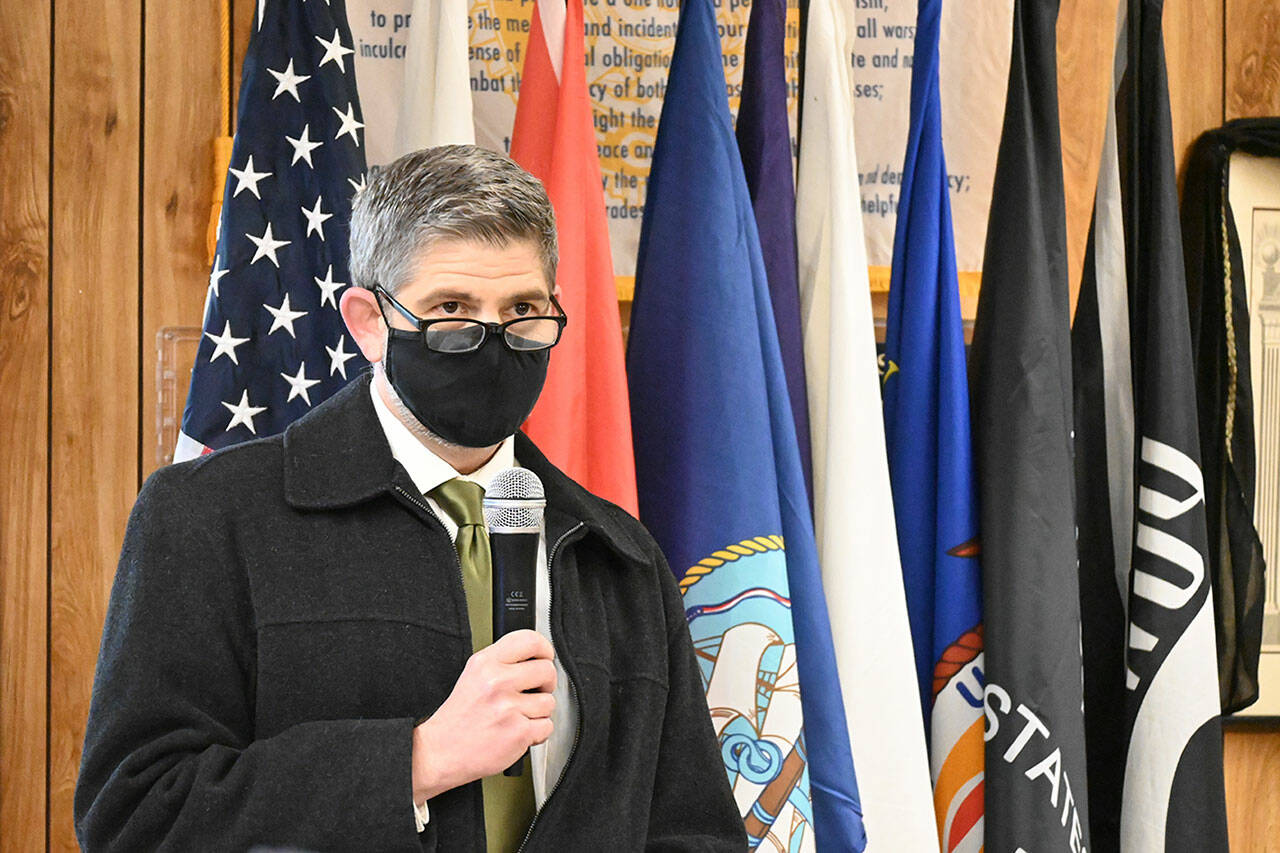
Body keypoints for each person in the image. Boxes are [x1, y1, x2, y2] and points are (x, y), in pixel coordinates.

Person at [74, 145, 747, 852]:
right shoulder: (211, 518)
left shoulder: (620, 555)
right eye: (451, 308)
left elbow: (694, 829)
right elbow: (135, 814)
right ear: (369, 322)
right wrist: (415, 761)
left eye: (521, 309)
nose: (493, 342)